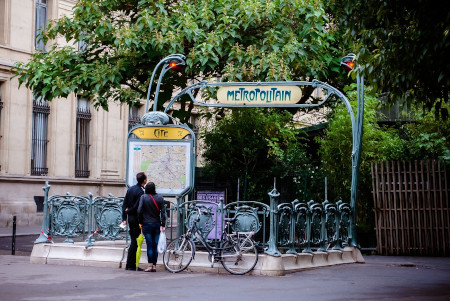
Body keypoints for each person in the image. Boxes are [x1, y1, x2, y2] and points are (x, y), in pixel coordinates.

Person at [138, 182, 166, 272]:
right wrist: (163, 224)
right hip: (157, 224)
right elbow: (163, 213)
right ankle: (154, 265)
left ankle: (150, 266)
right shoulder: (160, 198)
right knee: (155, 245)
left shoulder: (143, 197)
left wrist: (140, 221)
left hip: (146, 224)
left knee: (149, 245)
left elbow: (139, 210)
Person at [121, 172, 147, 271]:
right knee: (135, 243)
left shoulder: (131, 189)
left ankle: (129, 264)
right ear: (144, 180)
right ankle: (131, 265)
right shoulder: (141, 192)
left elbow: (124, 204)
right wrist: (129, 211)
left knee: (133, 241)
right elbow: (137, 207)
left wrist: (124, 217)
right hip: (136, 219)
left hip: (130, 219)